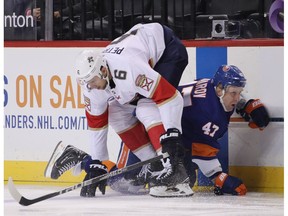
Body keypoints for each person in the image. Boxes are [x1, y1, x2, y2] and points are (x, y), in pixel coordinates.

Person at [45, 64, 270, 196]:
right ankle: (77, 157)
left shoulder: (211, 86)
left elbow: (226, 98)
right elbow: (202, 150)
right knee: (124, 183)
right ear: (220, 88)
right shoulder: (210, 115)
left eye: (240, 93)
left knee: (170, 178)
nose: (237, 97)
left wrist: (245, 104)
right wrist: (220, 178)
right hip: (146, 129)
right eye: (234, 94)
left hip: (160, 131)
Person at [45, 22, 194, 198]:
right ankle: (154, 164)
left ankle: (173, 169)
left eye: (92, 81)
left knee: (146, 106)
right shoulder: (92, 86)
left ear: (102, 70)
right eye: (86, 83)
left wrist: (172, 133)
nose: (90, 87)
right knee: (116, 113)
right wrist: (96, 162)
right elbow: (97, 125)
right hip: (140, 53)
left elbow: (170, 97)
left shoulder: (129, 69)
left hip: (168, 50)